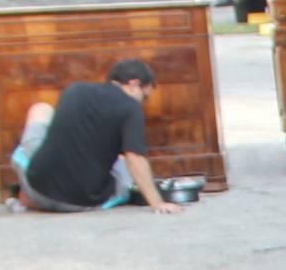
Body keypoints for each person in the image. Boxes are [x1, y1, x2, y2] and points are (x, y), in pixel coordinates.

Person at [13, 59, 184, 216]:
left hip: (36, 187)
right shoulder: (131, 108)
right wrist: (157, 203)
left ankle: (28, 196)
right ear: (134, 84)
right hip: (78, 202)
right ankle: (41, 200)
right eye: (144, 97)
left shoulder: (75, 90)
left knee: (40, 109)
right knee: (125, 169)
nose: (143, 103)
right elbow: (135, 157)